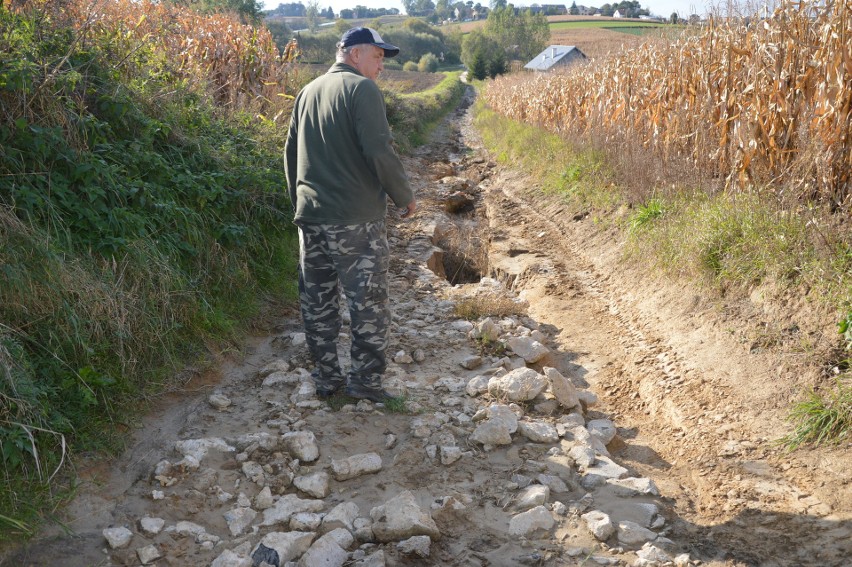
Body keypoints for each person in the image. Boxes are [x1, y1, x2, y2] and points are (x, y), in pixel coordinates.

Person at [284, 27, 417, 403]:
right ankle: (365, 384)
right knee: (368, 303)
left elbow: (291, 155)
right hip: (356, 220)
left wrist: (301, 203)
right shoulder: (362, 89)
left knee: (318, 303)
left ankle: (327, 381)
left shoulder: (307, 91)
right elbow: (378, 149)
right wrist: (402, 195)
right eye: (378, 57)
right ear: (355, 54)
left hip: (311, 219)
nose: (382, 66)